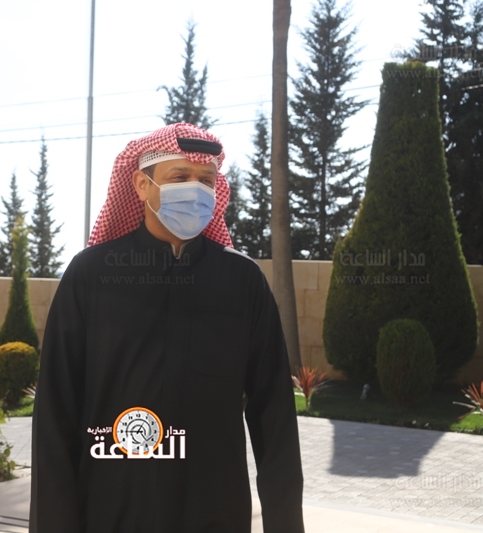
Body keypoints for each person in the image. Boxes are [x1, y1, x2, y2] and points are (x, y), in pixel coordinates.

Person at [30, 123, 305, 532]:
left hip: (215, 512)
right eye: (179, 177)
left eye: (206, 180)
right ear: (142, 185)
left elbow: (275, 415)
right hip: (110, 512)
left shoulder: (242, 281)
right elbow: (56, 412)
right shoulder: (92, 275)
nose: (195, 189)